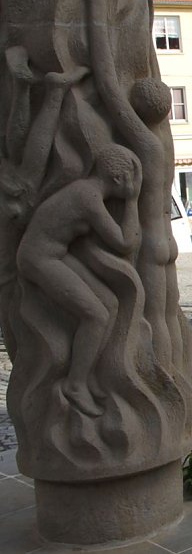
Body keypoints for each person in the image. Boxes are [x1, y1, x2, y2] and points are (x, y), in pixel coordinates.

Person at [17, 145, 142, 416]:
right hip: (39, 259)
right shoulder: (88, 197)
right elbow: (124, 242)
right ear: (119, 179)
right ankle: (75, 384)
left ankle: (86, 376)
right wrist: (132, 201)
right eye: (133, 179)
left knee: (109, 302)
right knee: (95, 316)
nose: (134, 185)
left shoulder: (86, 192)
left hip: (56, 255)